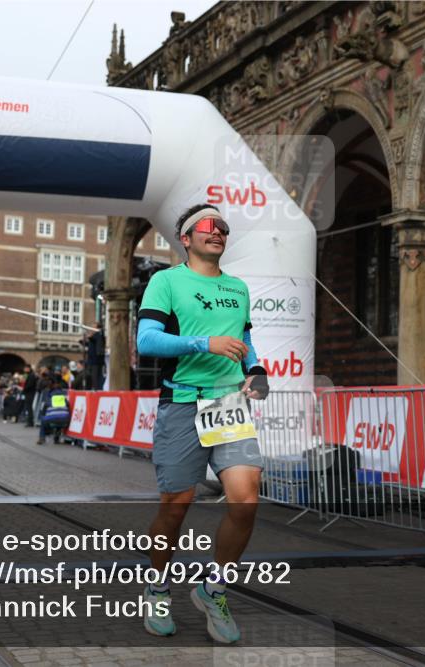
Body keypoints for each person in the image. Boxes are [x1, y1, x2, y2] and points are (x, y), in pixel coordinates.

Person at [135, 204, 270, 643]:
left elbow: (245, 338)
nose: (218, 232)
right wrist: (204, 342)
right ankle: (157, 585)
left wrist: (257, 370)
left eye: (223, 227)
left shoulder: (237, 288)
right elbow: (147, 340)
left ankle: (213, 589)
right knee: (176, 506)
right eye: (208, 226)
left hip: (230, 405)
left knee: (246, 500)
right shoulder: (166, 281)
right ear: (186, 238)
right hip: (183, 404)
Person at [36, 376, 70, 445]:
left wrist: (43, 416)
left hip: (52, 420)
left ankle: (41, 438)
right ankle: (56, 439)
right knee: (59, 417)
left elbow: (44, 409)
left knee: (44, 420)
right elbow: (68, 405)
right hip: (65, 421)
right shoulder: (63, 397)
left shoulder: (49, 397)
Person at [84, 324, 105, 389]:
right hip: (94, 360)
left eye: (93, 327)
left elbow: (92, 338)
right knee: (93, 376)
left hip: (95, 360)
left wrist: (89, 335)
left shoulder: (98, 335)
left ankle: (96, 389)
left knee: (95, 376)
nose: (92, 328)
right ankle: (95, 387)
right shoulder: (97, 336)